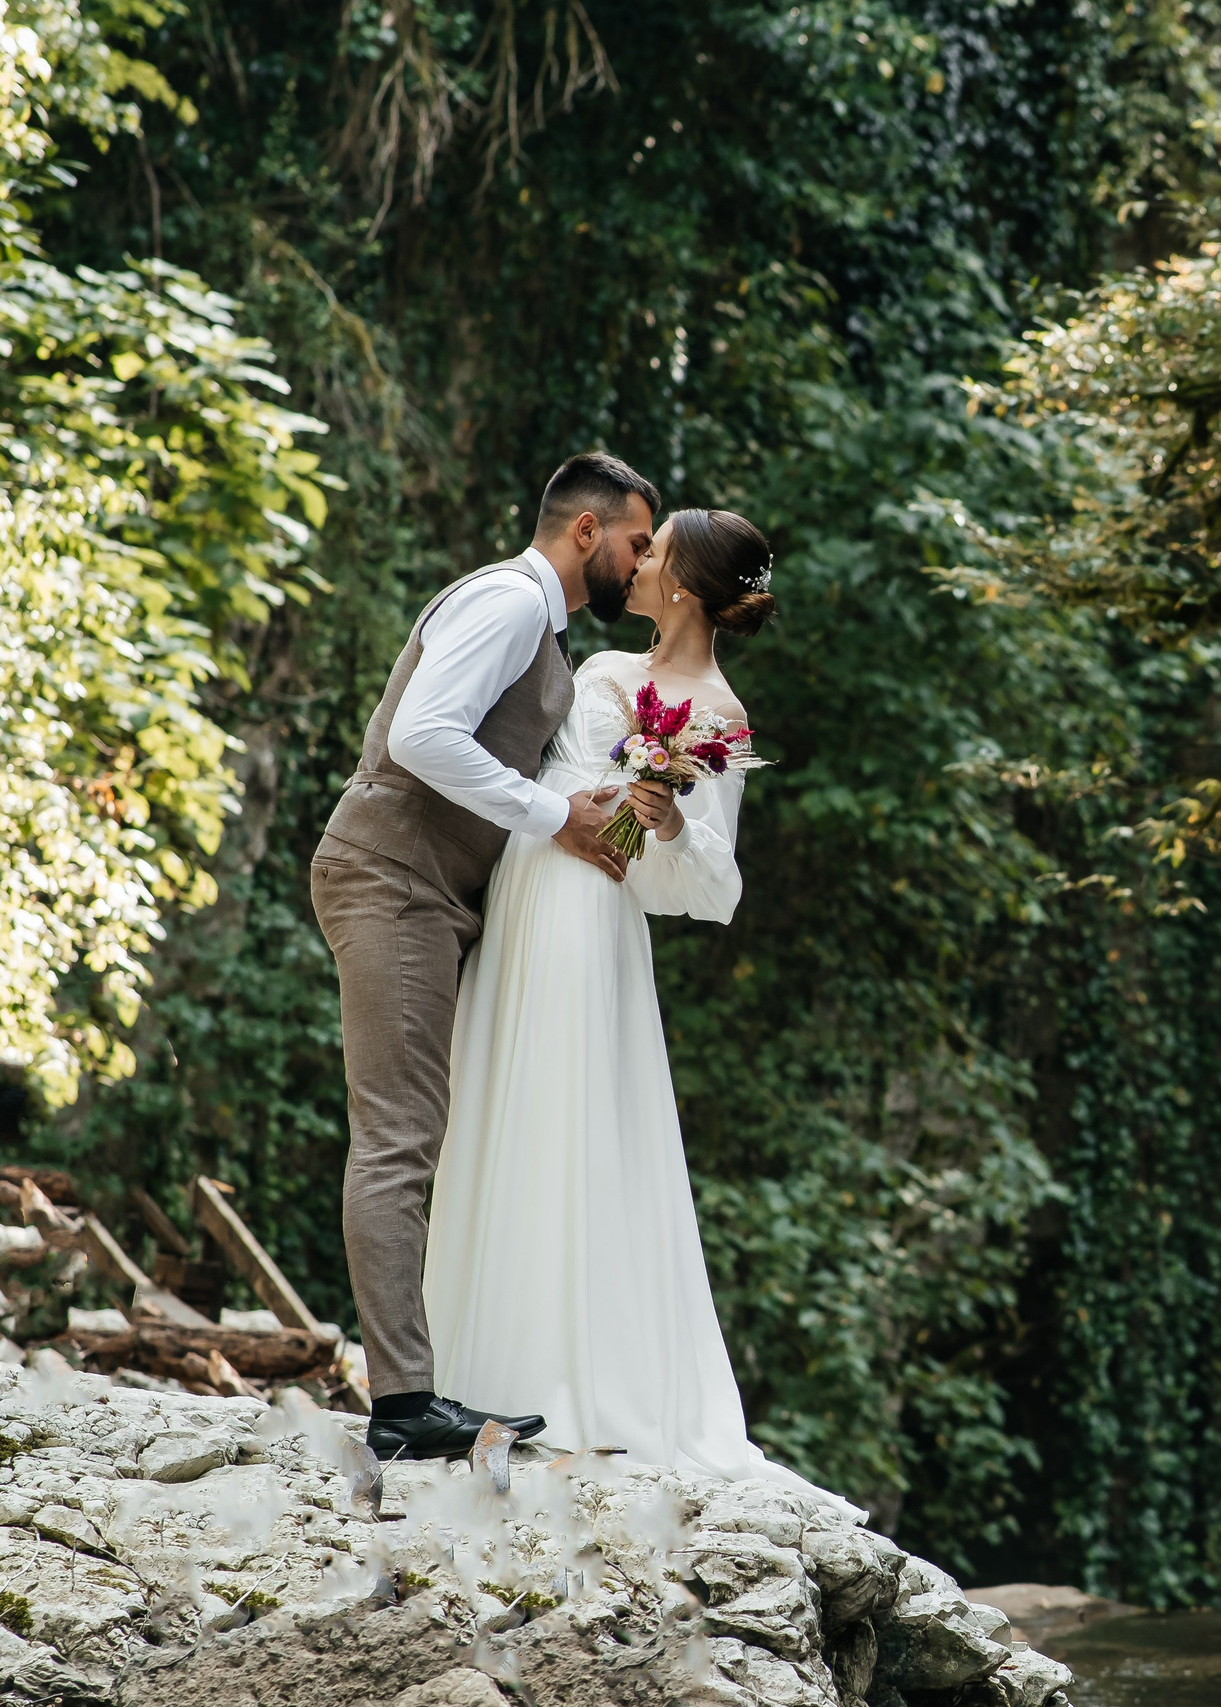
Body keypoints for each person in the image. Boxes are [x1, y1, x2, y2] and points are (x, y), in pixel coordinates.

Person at [421, 507, 822, 1488]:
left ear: (682, 585)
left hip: (593, 924)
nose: (634, 564)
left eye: (653, 554)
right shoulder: (601, 669)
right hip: (526, 896)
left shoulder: (717, 718)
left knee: (568, 1130)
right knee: (497, 1117)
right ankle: (465, 1377)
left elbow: (711, 891)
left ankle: (565, 1384)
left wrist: (670, 822)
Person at [311, 451, 658, 1462]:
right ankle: (404, 1408)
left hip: (426, 892)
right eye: (636, 542)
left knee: (417, 1133)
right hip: (391, 879)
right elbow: (422, 736)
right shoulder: (510, 602)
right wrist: (553, 816)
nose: (641, 565)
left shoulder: (536, 629)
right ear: (585, 532)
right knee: (396, 1139)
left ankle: (422, 1388)